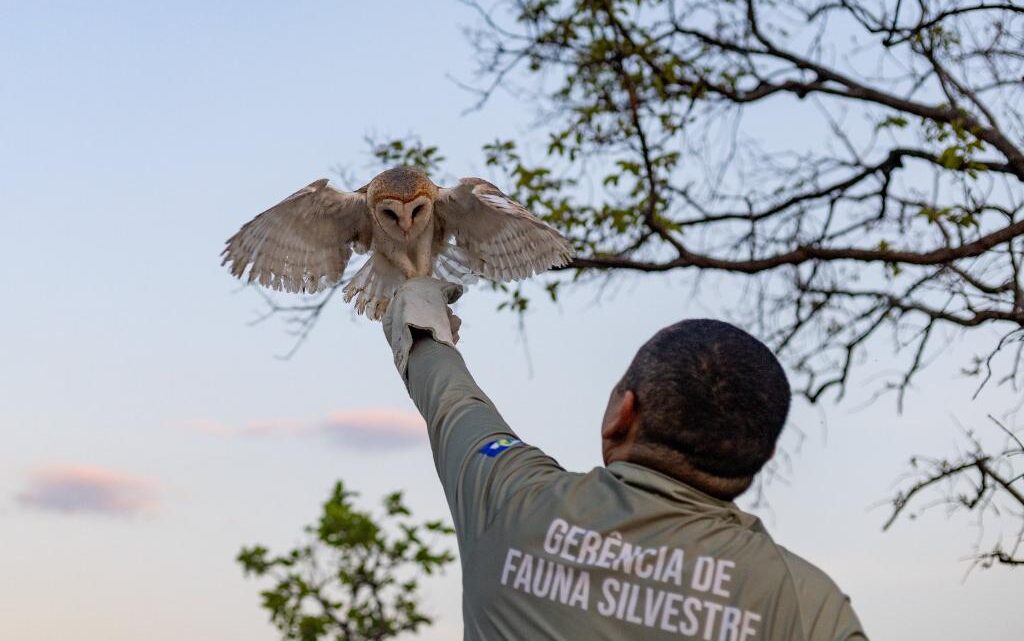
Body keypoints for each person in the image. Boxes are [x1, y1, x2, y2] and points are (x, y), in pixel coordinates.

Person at [382, 277, 868, 641]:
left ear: (623, 413)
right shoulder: (810, 607)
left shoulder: (509, 498)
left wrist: (423, 318)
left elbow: (454, 402)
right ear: (760, 456)